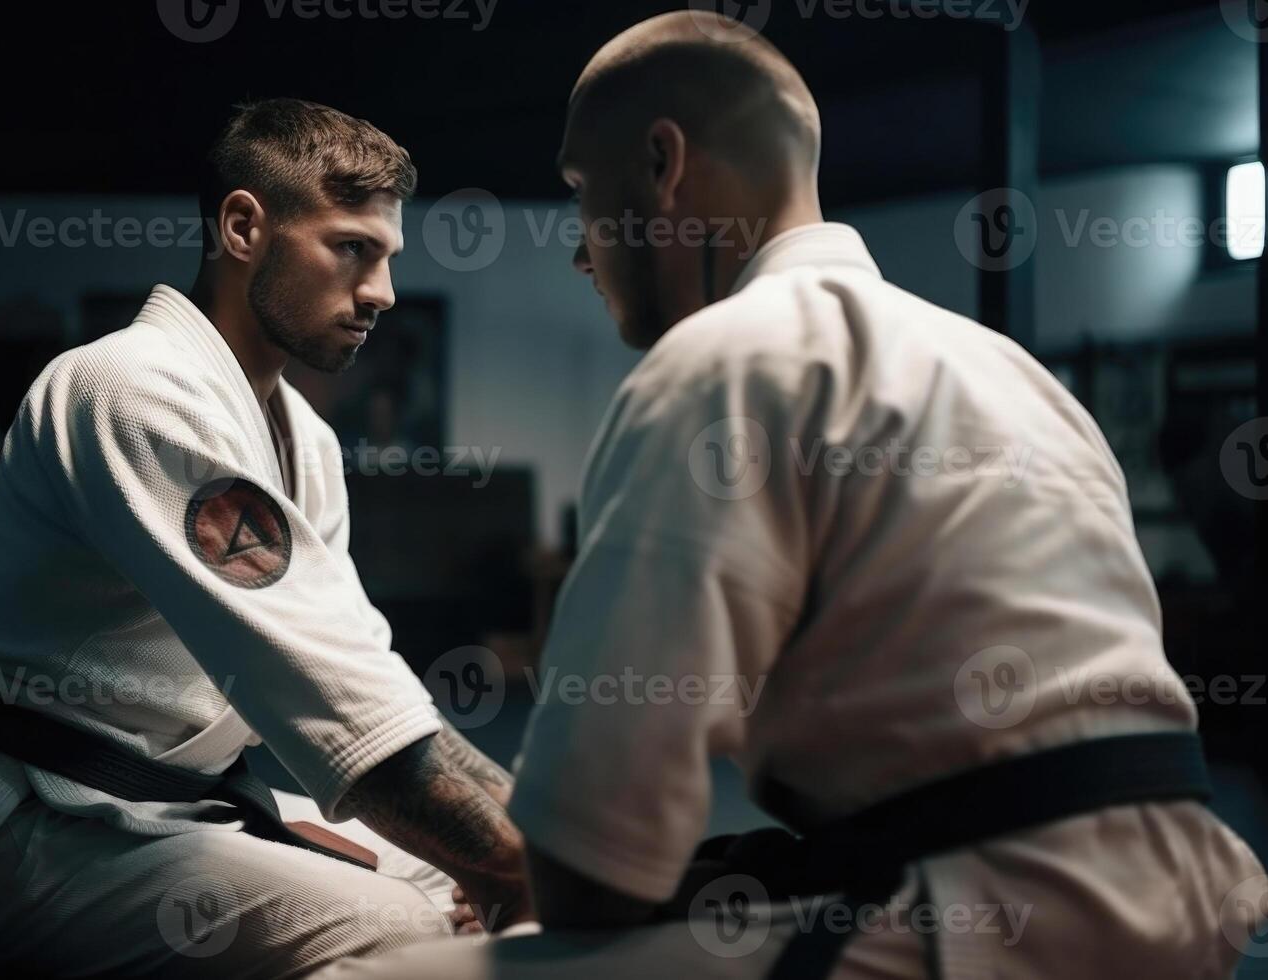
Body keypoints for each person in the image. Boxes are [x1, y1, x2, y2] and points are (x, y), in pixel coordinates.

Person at [316, 12, 1267, 979]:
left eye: (580, 194)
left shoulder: (721, 362)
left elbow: (589, 866)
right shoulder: (1013, 371)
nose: (578, 250)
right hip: (1190, 899)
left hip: (993, 921)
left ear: (661, 165)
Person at [0, 97, 530, 977]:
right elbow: (316, 692)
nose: (383, 293)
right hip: (10, 821)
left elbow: (361, 673)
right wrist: (533, 861)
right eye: (351, 249)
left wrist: (532, 833)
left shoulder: (308, 441)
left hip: (171, 806)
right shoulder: (127, 388)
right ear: (245, 226)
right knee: (400, 925)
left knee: (450, 887)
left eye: (388, 257)